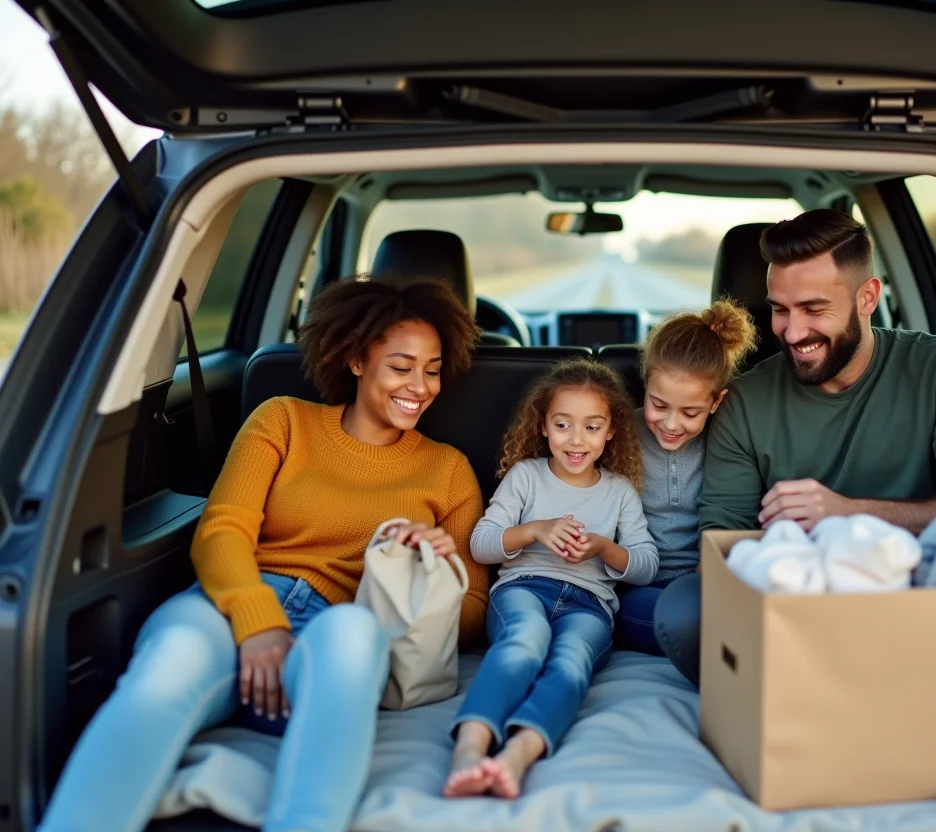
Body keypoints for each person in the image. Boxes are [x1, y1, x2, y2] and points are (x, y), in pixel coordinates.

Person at [40, 277, 490, 832]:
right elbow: (222, 530)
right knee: (164, 673)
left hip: (340, 625)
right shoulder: (283, 420)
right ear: (354, 359)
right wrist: (259, 622)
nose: (420, 386)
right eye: (401, 367)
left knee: (353, 635)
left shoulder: (448, 470)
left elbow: (471, 611)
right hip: (229, 608)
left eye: (433, 369)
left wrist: (433, 570)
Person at [653, 209, 936, 685]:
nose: (793, 331)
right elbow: (722, 539)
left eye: (813, 309)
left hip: (918, 595)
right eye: (780, 309)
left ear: (868, 297)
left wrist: (850, 513)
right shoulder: (746, 398)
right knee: (682, 611)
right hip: (792, 604)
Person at [445, 358, 658, 799]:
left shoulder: (618, 491)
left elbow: (645, 562)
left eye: (592, 427)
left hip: (591, 605)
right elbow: (481, 544)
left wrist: (602, 546)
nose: (576, 440)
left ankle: (519, 753)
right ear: (543, 426)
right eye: (563, 425)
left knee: (571, 658)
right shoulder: (527, 477)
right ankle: (470, 747)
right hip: (524, 590)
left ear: (611, 430)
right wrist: (535, 529)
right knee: (525, 640)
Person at [615, 299, 757, 654]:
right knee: (678, 619)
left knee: (715, 610)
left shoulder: (730, 441)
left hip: (706, 581)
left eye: (690, 412)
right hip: (638, 586)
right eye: (659, 405)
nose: (671, 424)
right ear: (645, 385)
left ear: (716, 402)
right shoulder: (618, 436)